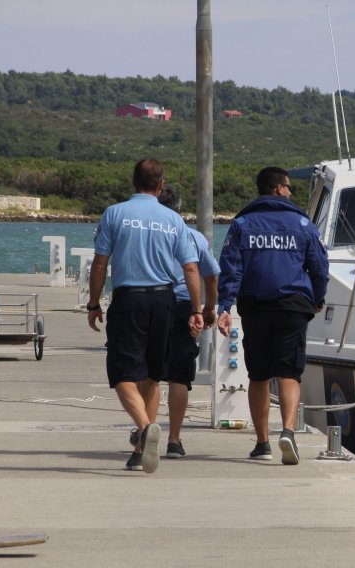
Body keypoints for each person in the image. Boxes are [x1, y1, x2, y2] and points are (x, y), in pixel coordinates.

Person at [87, 158, 204, 474]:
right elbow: (191, 268)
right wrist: (196, 309)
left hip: (130, 299)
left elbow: (100, 264)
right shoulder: (173, 220)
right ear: (161, 185)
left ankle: (145, 428)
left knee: (123, 373)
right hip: (165, 300)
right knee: (152, 374)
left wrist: (93, 302)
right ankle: (140, 451)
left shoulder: (115, 213)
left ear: (133, 181)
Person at [217, 166, 328, 465]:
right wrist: (318, 297)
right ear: (279, 189)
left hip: (255, 306)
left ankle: (263, 442)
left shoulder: (242, 224)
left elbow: (231, 268)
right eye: (289, 187)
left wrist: (224, 307)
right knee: (290, 373)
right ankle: (288, 431)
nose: (291, 192)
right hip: (292, 306)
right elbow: (318, 265)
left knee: (259, 375)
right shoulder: (303, 224)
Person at [148, 185, 219, 459]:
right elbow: (211, 276)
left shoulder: (149, 236)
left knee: (149, 373)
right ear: (179, 209)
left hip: (153, 303)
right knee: (179, 376)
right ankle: (174, 440)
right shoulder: (195, 237)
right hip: (184, 307)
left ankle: (145, 428)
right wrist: (207, 309)